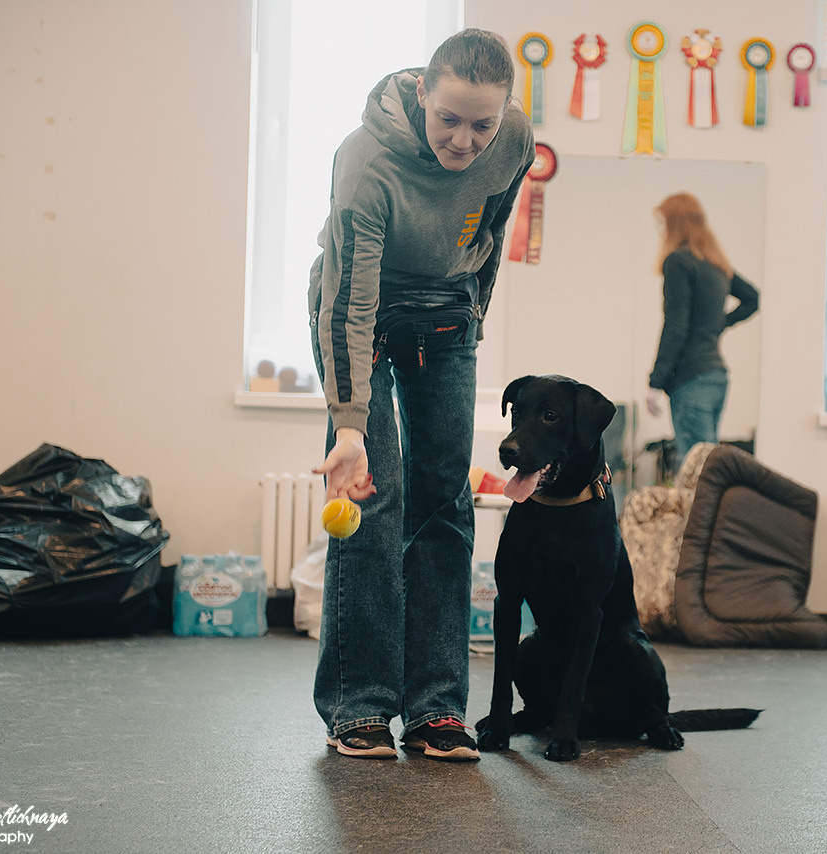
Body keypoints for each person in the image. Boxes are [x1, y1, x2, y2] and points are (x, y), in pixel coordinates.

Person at [307, 28, 535, 761]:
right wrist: (348, 424)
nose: (466, 140)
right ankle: (360, 704)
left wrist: (470, 320)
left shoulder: (515, 141)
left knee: (444, 500)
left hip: (446, 311)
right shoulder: (367, 157)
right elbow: (350, 295)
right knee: (372, 496)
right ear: (421, 95)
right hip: (362, 309)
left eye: (483, 125)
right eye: (450, 120)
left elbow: (489, 241)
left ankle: (437, 707)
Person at [646, 193, 760, 471]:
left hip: (691, 378)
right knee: (706, 465)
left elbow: (675, 327)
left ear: (676, 224)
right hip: (716, 377)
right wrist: (716, 325)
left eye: (663, 224)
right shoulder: (716, 265)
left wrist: (655, 382)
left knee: (698, 470)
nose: (661, 231)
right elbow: (753, 298)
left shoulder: (679, 262)